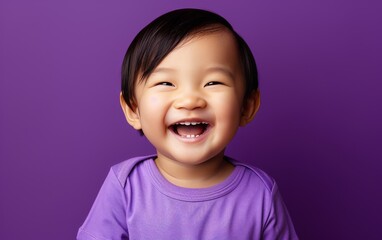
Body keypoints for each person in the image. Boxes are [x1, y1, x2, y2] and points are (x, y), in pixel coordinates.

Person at [77, 8, 298, 240]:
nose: (190, 100)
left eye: (213, 82)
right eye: (166, 83)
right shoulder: (126, 186)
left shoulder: (261, 194)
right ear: (133, 109)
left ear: (247, 106)